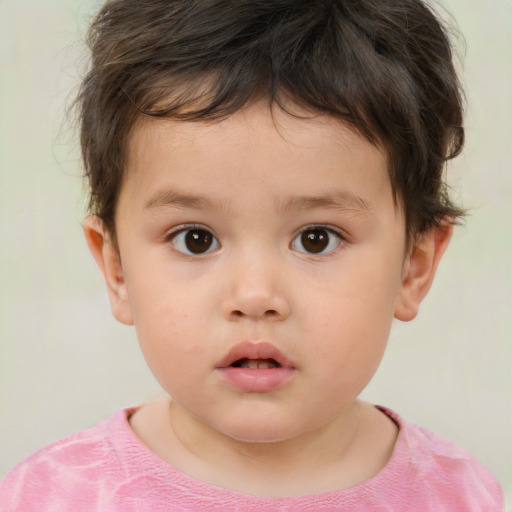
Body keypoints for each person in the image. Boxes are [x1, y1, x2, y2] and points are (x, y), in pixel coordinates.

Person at [0, 0, 504, 509]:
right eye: (195, 238)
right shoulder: (53, 497)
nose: (256, 295)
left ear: (413, 267)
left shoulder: (460, 496)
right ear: (116, 270)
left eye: (317, 239)